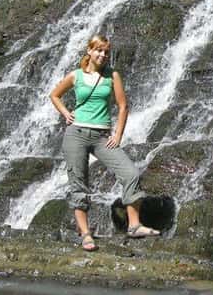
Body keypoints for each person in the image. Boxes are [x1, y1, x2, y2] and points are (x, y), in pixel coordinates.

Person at [50, 34, 159, 251]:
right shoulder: (76, 76)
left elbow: (123, 106)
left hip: (102, 137)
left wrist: (118, 135)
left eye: (106, 52)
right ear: (89, 51)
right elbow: (54, 95)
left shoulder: (112, 76)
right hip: (76, 134)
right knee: (78, 184)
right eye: (99, 50)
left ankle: (134, 225)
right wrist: (65, 113)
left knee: (130, 174)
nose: (102, 55)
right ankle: (86, 234)